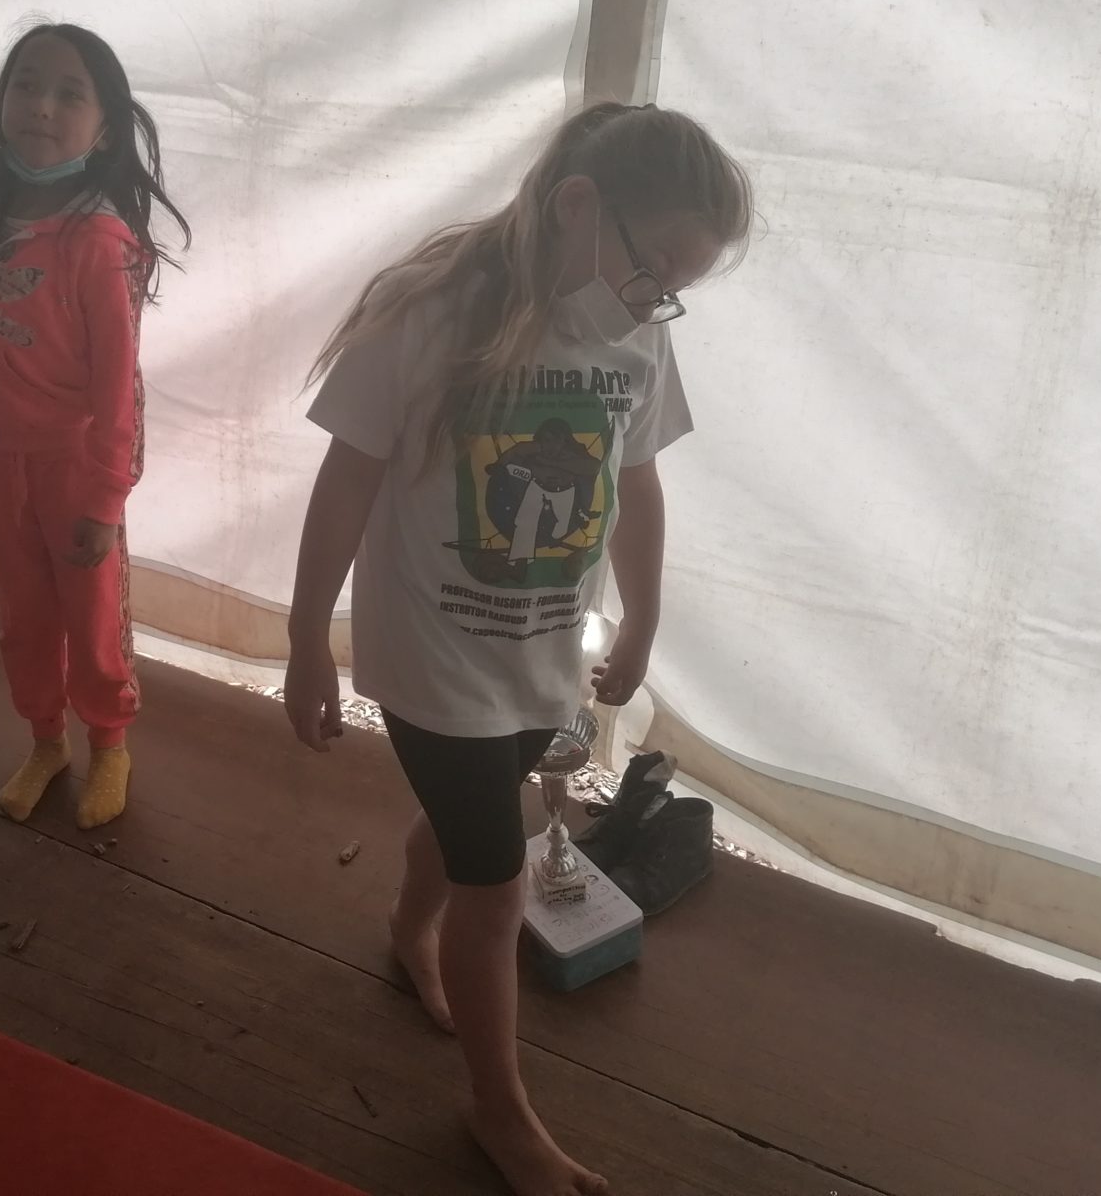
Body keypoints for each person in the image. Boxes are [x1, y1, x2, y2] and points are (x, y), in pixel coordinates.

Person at [284, 102, 752, 1196]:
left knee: (474, 826)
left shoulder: (635, 332)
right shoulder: (428, 313)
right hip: (434, 663)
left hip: (539, 661)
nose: (655, 301)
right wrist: (306, 638)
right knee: (494, 890)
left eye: (676, 288)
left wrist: (643, 618)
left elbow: (637, 482)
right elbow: (345, 481)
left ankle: (408, 927)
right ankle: (500, 1115)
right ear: (578, 207)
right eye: (654, 270)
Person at [0, 23, 190, 831]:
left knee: (91, 614)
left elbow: (120, 386)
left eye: (70, 94)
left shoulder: (101, 242)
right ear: (0, 99)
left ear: (105, 129)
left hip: (73, 470)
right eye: (26, 84)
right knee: (22, 611)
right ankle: (46, 740)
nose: (42, 106)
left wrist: (107, 498)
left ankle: (109, 742)